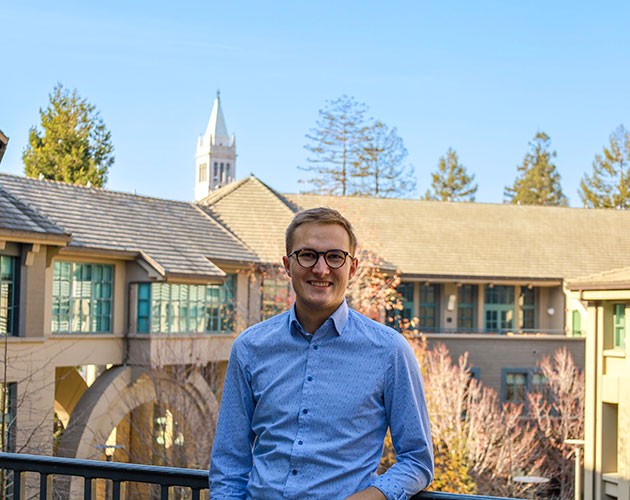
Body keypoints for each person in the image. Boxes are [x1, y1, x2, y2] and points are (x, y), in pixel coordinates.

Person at [209, 207, 433, 499]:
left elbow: (417, 459)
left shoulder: (389, 351)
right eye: (307, 255)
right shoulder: (250, 347)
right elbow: (229, 463)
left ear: (352, 268)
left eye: (334, 256)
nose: (321, 269)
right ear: (287, 266)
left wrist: (369, 497)